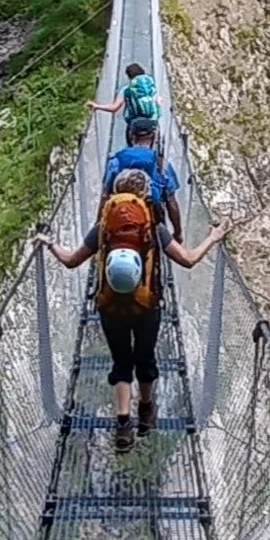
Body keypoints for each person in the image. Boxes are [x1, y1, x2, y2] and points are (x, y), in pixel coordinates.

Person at [39, 169, 229, 451]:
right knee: (145, 359)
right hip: (146, 306)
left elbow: (71, 260)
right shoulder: (153, 226)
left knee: (121, 363)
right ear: (144, 195)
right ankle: (147, 409)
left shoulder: (104, 227)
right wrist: (213, 237)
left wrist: (50, 244)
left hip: (110, 306)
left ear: (115, 194)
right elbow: (187, 260)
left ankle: (123, 423)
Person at [101, 115, 183, 237]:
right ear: (153, 137)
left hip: (119, 214)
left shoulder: (115, 160)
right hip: (151, 218)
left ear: (131, 136)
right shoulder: (161, 163)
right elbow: (171, 201)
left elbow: (105, 195)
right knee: (181, 256)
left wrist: (99, 225)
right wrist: (178, 233)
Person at [88, 62, 162, 132]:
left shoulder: (126, 89)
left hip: (134, 123)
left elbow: (114, 108)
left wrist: (97, 106)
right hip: (152, 121)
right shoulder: (150, 86)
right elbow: (158, 101)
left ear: (129, 77)